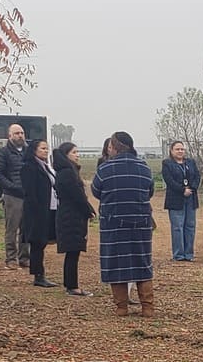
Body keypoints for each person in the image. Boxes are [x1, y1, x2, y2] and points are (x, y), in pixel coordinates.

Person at [92, 132, 156, 315]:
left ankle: (121, 307)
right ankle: (147, 307)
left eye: (111, 146)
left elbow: (96, 191)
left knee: (116, 263)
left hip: (114, 224)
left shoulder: (105, 169)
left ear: (115, 147)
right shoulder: (144, 168)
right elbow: (149, 191)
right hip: (140, 223)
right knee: (142, 262)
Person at [51, 140, 94, 296]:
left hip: (71, 213)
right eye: (74, 152)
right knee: (73, 250)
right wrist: (87, 210)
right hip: (71, 215)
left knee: (73, 251)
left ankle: (70, 284)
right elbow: (76, 196)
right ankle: (72, 286)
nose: (78, 155)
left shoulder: (68, 170)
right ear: (66, 155)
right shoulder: (67, 173)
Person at [0, 122, 31, 269]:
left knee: (26, 229)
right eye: (16, 133)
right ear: (9, 136)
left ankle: (25, 258)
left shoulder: (29, 152)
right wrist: (11, 187)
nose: (20, 135)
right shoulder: (3, 153)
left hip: (28, 196)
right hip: (12, 196)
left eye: (21, 133)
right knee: (12, 228)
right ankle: (11, 258)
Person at [20, 137, 58, 288]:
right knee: (37, 242)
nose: (46, 150)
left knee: (42, 242)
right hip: (37, 211)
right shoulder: (29, 167)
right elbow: (30, 192)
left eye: (47, 148)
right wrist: (37, 210)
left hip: (49, 208)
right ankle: (38, 275)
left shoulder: (46, 166)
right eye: (42, 148)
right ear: (34, 150)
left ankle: (40, 274)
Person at [161, 139, 200, 262]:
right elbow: (169, 180)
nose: (180, 151)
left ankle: (189, 254)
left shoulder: (191, 162)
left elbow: (197, 176)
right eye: (177, 149)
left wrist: (191, 188)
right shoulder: (167, 163)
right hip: (176, 198)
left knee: (190, 226)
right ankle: (179, 254)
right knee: (177, 226)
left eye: (182, 149)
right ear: (172, 151)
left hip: (191, 197)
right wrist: (182, 190)